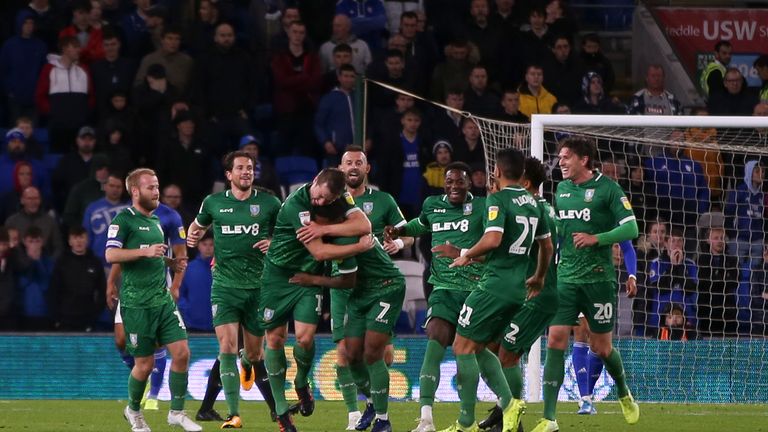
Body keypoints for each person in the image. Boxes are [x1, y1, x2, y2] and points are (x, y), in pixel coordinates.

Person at [531, 137, 639, 432]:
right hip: (566, 279)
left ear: (583, 159)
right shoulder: (562, 191)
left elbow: (632, 228)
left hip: (598, 281)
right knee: (555, 340)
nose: (561, 162)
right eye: (560, 157)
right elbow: (561, 233)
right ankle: (550, 417)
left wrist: (597, 239)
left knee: (603, 348)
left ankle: (623, 392)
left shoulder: (608, 189)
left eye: (566, 157)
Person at [442, 148, 552, 432]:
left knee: (461, 346)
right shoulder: (534, 203)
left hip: (494, 285)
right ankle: (509, 403)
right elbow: (546, 245)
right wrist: (538, 277)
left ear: (498, 172)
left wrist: (466, 254)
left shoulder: (498, 199)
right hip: (518, 290)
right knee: (478, 346)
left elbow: (492, 239)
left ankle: (466, 423)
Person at [258, 168, 373, 432]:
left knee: (305, 339)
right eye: (319, 196)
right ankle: (281, 410)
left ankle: (300, 382)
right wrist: (359, 246)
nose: (320, 203)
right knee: (274, 339)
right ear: (315, 182)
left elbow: (364, 225)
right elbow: (320, 251)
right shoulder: (295, 205)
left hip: (308, 278)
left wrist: (326, 226)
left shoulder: (340, 199)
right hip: (278, 276)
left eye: (327, 201)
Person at [385, 162, 486, 432]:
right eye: (450, 181)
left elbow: (494, 243)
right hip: (442, 289)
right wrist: (399, 231)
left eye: (460, 182)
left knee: (477, 355)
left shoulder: (484, 207)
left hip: (477, 292)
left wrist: (462, 251)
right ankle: (426, 418)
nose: (454, 186)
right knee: (435, 340)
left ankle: (473, 417)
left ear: (469, 184)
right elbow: (420, 225)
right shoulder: (432, 204)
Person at [186, 151, 282, 428]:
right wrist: (191, 233)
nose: (246, 172)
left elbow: (290, 233)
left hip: (258, 289)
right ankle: (233, 414)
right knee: (226, 347)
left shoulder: (269, 203)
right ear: (229, 175)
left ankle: (246, 361)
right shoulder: (214, 202)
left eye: (250, 168)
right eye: (240, 168)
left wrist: (274, 242)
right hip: (225, 287)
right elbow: (196, 226)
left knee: (254, 354)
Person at [289, 206, 406, 432]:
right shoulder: (332, 235)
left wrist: (312, 280)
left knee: (373, 353)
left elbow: (346, 281)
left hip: (384, 288)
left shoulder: (344, 239)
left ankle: (383, 420)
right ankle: (371, 403)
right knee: (350, 354)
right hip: (359, 294)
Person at [105, 168, 201, 432]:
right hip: (137, 303)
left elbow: (155, 256)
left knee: (182, 353)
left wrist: (167, 260)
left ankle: (177, 413)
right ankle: (133, 410)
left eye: (157, 186)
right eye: (150, 187)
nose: (156, 192)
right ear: (135, 191)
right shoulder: (123, 220)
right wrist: (144, 251)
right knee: (144, 365)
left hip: (162, 300)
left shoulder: (158, 221)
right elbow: (112, 255)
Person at [326, 146, 411, 429]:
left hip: (377, 284)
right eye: (348, 162)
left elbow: (407, 233)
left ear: (367, 169)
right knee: (345, 354)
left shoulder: (383, 200)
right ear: (340, 168)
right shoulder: (329, 204)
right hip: (343, 285)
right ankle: (356, 414)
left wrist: (398, 242)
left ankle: (377, 406)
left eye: (358, 163)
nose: (353, 166)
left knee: (381, 354)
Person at [474, 157, 558, 431]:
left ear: (525, 181)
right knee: (490, 348)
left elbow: (544, 249)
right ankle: (504, 408)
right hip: (526, 291)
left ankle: (512, 420)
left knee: (507, 356)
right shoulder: (539, 207)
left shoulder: (535, 209)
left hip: (535, 295)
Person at [35, 36, 95, 153]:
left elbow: (91, 96)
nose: (79, 50)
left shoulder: (84, 69)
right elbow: (40, 96)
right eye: (75, 47)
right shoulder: (49, 69)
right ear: (65, 49)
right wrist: (53, 112)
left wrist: (84, 113)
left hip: (79, 126)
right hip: (58, 126)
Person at [50, 226, 105, 331]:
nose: (79, 241)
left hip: (87, 318)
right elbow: (54, 290)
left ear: (87, 240)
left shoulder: (95, 263)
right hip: (65, 318)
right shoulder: (62, 262)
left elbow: (102, 291)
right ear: (70, 241)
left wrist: (94, 315)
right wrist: (57, 318)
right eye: (75, 238)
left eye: (82, 238)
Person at [378, 107, 428, 218]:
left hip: (418, 191)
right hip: (398, 190)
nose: (413, 123)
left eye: (416, 120)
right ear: (403, 120)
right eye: (409, 120)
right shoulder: (392, 141)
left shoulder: (424, 141)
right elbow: (384, 167)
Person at [0, 10, 47, 121]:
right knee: (15, 133)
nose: (29, 26)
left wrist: (40, 91)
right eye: (25, 22)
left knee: (32, 131)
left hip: (35, 97)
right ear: (19, 23)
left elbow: (44, 71)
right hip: (15, 97)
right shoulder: (9, 45)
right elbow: (3, 70)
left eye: (31, 23)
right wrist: (9, 91)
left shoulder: (40, 46)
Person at [697, 226, 739, 337]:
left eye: (722, 238)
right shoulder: (701, 260)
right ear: (708, 240)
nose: (720, 241)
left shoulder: (732, 260)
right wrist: (723, 278)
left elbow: (734, 282)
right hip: (707, 310)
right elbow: (704, 284)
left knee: (729, 351)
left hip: (727, 311)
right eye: (716, 238)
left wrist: (715, 279)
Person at [83, 172, 130, 268]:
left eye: (118, 187)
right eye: (112, 186)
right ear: (105, 186)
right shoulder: (93, 208)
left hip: (125, 263)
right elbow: (87, 234)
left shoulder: (130, 208)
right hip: (98, 262)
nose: (115, 190)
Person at [315, 64, 357, 166]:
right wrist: (326, 142)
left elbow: (368, 121)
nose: (349, 79)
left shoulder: (360, 97)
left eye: (352, 76)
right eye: (346, 76)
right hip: (335, 150)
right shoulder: (329, 98)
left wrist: (368, 139)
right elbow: (318, 123)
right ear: (339, 77)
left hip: (356, 150)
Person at [725, 160, 764, 267]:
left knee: (755, 273)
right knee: (737, 272)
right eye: (757, 171)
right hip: (739, 239)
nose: (761, 174)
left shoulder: (762, 196)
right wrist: (733, 235)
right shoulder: (739, 192)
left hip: (757, 240)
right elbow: (728, 214)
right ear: (749, 172)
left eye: (763, 171)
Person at [15, 226, 55, 331]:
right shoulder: (18, 262)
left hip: (44, 313)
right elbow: (21, 284)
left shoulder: (49, 262)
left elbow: (46, 285)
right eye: (31, 241)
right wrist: (30, 262)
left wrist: (38, 262)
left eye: (37, 241)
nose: (34, 245)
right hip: (23, 314)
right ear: (24, 242)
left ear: (42, 242)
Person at [134, 26, 194, 95]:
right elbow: (138, 84)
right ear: (162, 40)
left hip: (178, 102)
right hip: (154, 101)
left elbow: (192, 86)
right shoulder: (149, 59)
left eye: (177, 39)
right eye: (170, 38)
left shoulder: (187, 61)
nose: (173, 42)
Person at [5, 186, 62, 258]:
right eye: (29, 198)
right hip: (18, 265)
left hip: (45, 264)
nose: (33, 202)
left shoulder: (50, 221)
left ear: (40, 200)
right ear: (22, 200)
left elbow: (58, 247)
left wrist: (50, 264)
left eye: (36, 198)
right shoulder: (11, 222)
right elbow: (6, 246)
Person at [177, 232, 214, 332]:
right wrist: (187, 313)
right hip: (192, 326)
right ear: (198, 245)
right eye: (204, 244)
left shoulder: (222, 269)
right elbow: (179, 293)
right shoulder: (188, 268)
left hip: (218, 325)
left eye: (211, 244)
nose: (208, 248)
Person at [58, 0, 104, 65]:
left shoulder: (98, 33)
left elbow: (100, 54)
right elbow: (64, 53)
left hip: (93, 69)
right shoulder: (65, 33)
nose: (84, 16)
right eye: (81, 13)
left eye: (87, 13)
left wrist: (78, 52)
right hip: (71, 68)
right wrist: (88, 53)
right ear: (74, 13)